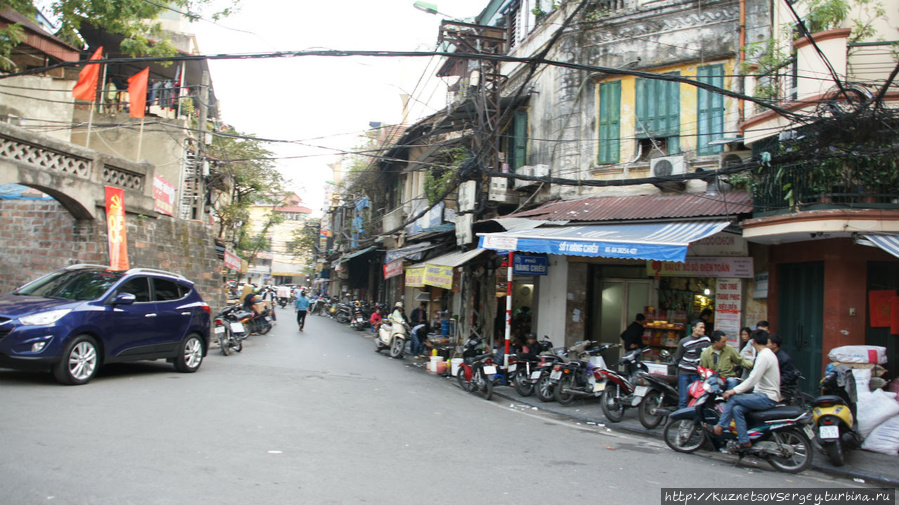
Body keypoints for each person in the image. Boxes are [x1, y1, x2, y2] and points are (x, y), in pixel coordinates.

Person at [709, 329, 780, 449]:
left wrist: (733, 390)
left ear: (753, 342)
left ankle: (720, 426)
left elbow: (752, 379)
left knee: (734, 398)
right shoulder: (767, 354)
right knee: (737, 409)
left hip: (766, 397)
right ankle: (744, 441)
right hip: (762, 395)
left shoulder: (764, 356)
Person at [673, 320, 711, 409]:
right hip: (684, 373)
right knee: (683, 398)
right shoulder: (684, 342)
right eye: (701, 327)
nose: (703, 330)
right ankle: (682, 419)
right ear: (694, 328)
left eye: (704, 328)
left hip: (698, 374)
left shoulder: (706, 340)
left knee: (696, 397)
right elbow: (678, 357)